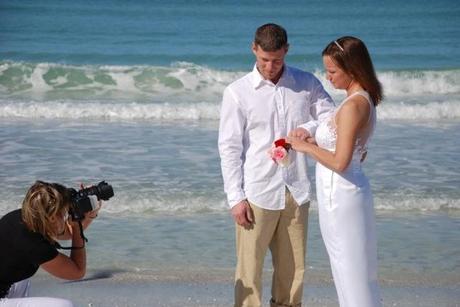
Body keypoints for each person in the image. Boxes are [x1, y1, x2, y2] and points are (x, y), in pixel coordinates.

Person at [218, 23, 334, 307]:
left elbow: (332, 118)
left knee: (293, 270)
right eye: (264, 60)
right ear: (254, 49)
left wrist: (307, 127)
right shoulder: (237, 92)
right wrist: (236, 198)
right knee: (250, 269)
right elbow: (229, 147)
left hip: (296, 189)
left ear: (287, 51)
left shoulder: (306, 83)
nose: (270, 67)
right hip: (256, 192)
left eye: (277, 60)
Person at [288, 36, 383, 307]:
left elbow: (341, 161)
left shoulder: (354, 105)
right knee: (347, 270)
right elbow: (353, 151)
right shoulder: (358, 100)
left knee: (351, 272)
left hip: (342, 196)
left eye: (332, 71)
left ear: (352, 69)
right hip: (340, 194)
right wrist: (312, 140)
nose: (327, 77)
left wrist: (303, 148)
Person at [0, 180, 101, 307]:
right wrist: (77, 227)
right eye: (64, 213)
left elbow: (67, 233)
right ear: (52, 217)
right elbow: (77, 272)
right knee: (64, 306)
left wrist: (89, 216)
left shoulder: (25, 217)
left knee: (22, 274)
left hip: (6, 286)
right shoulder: (33, 244)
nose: (67, 217)